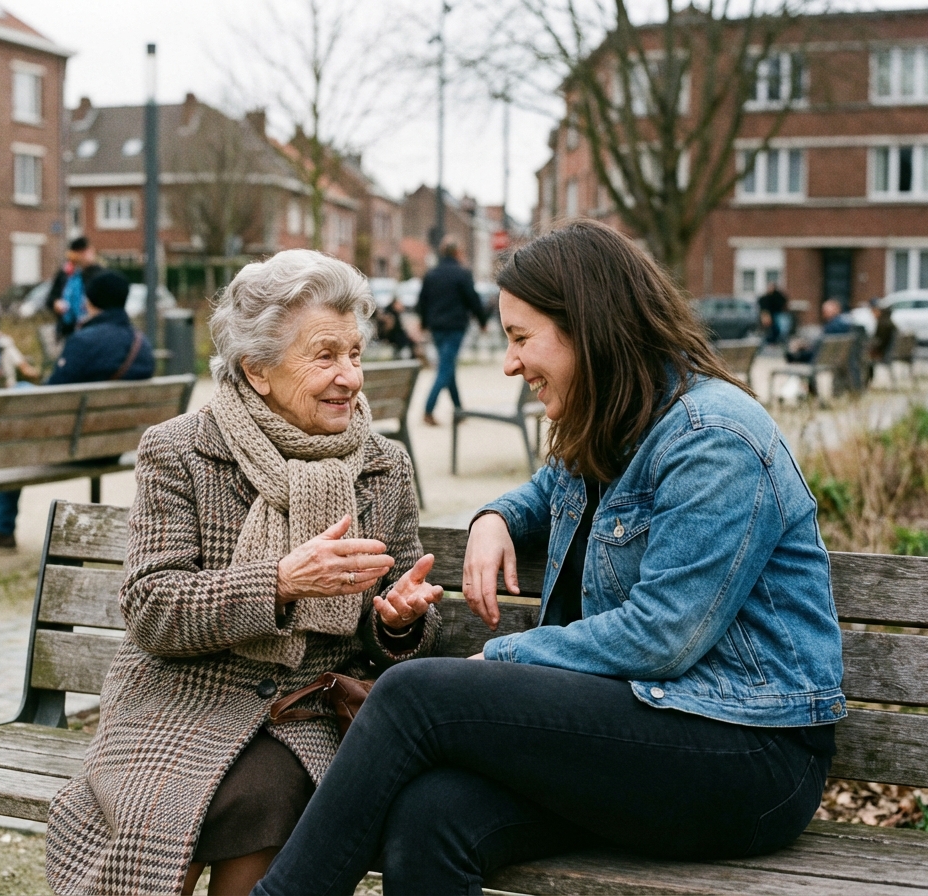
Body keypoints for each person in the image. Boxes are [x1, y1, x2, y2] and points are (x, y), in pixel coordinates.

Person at [253, 220, 845, 896]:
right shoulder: (614, 417)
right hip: (643, 736)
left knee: (415, 695)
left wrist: (504, 656)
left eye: (519, 338)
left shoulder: (716, 439)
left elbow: (663, 636)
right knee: (430, 817)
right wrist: (496, 516)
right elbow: (548, 490)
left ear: (587, 327)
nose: (509, 363)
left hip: (747, 755)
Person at [44, 250, 444, 896]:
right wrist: (280, 583)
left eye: (356, 353)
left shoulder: (383, 465)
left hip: (305, 710)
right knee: (155, 821)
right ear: (257, 370)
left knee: (272, 793)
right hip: (179, 698)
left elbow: (403, 638)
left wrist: (399, 621)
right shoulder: (179, 450)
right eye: (325, 356)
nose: (350, 377)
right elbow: (151, 606)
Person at [0, 271, 155, 549]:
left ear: (90, 301)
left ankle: (3, 528)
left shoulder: (84, 341)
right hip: (113, 445)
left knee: (20, 392)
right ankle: (2, 528)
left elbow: (49, 398)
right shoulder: (143, 345)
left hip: (75, 446)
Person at [417, 236, 488, 426]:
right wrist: (482, 321)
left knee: (448, 367)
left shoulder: (432, 274)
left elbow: (422, 301)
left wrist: (423, 324)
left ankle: (458, 410)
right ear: (457, 252)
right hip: (455, 327)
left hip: (436, 328)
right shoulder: (462, 274)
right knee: (445, 368)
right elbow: (473, 299)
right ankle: (428, 410)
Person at [46, 236, 95, 339]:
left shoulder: (96, 274)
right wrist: (56, 303)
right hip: (67, 330)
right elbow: (50, 298)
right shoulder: (65, 274)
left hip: (90, 330)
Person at [785, 298, 852, 363]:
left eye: (825, 311)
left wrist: (803, 348)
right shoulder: (846, 325)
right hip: (832, 359)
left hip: (817, 360)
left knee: (792, 353)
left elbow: (818, 349)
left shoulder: (832, 327)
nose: (823, 314)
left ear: (836, 309)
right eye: (823, 311)